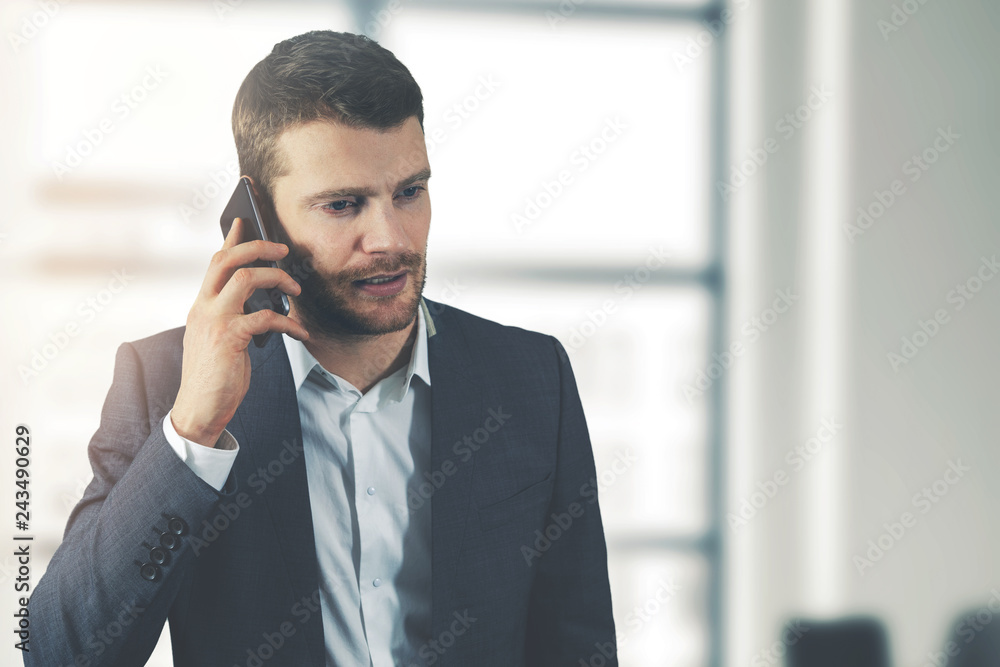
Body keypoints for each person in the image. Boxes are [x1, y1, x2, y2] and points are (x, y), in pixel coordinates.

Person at [27, 30, 616, 667]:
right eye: (342, 205)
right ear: (258, 215)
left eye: (409, 192)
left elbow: (579, 645)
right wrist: (194, 429)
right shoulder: (165, 385)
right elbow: (61, 655)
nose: (391, 239)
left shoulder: (531, 377)